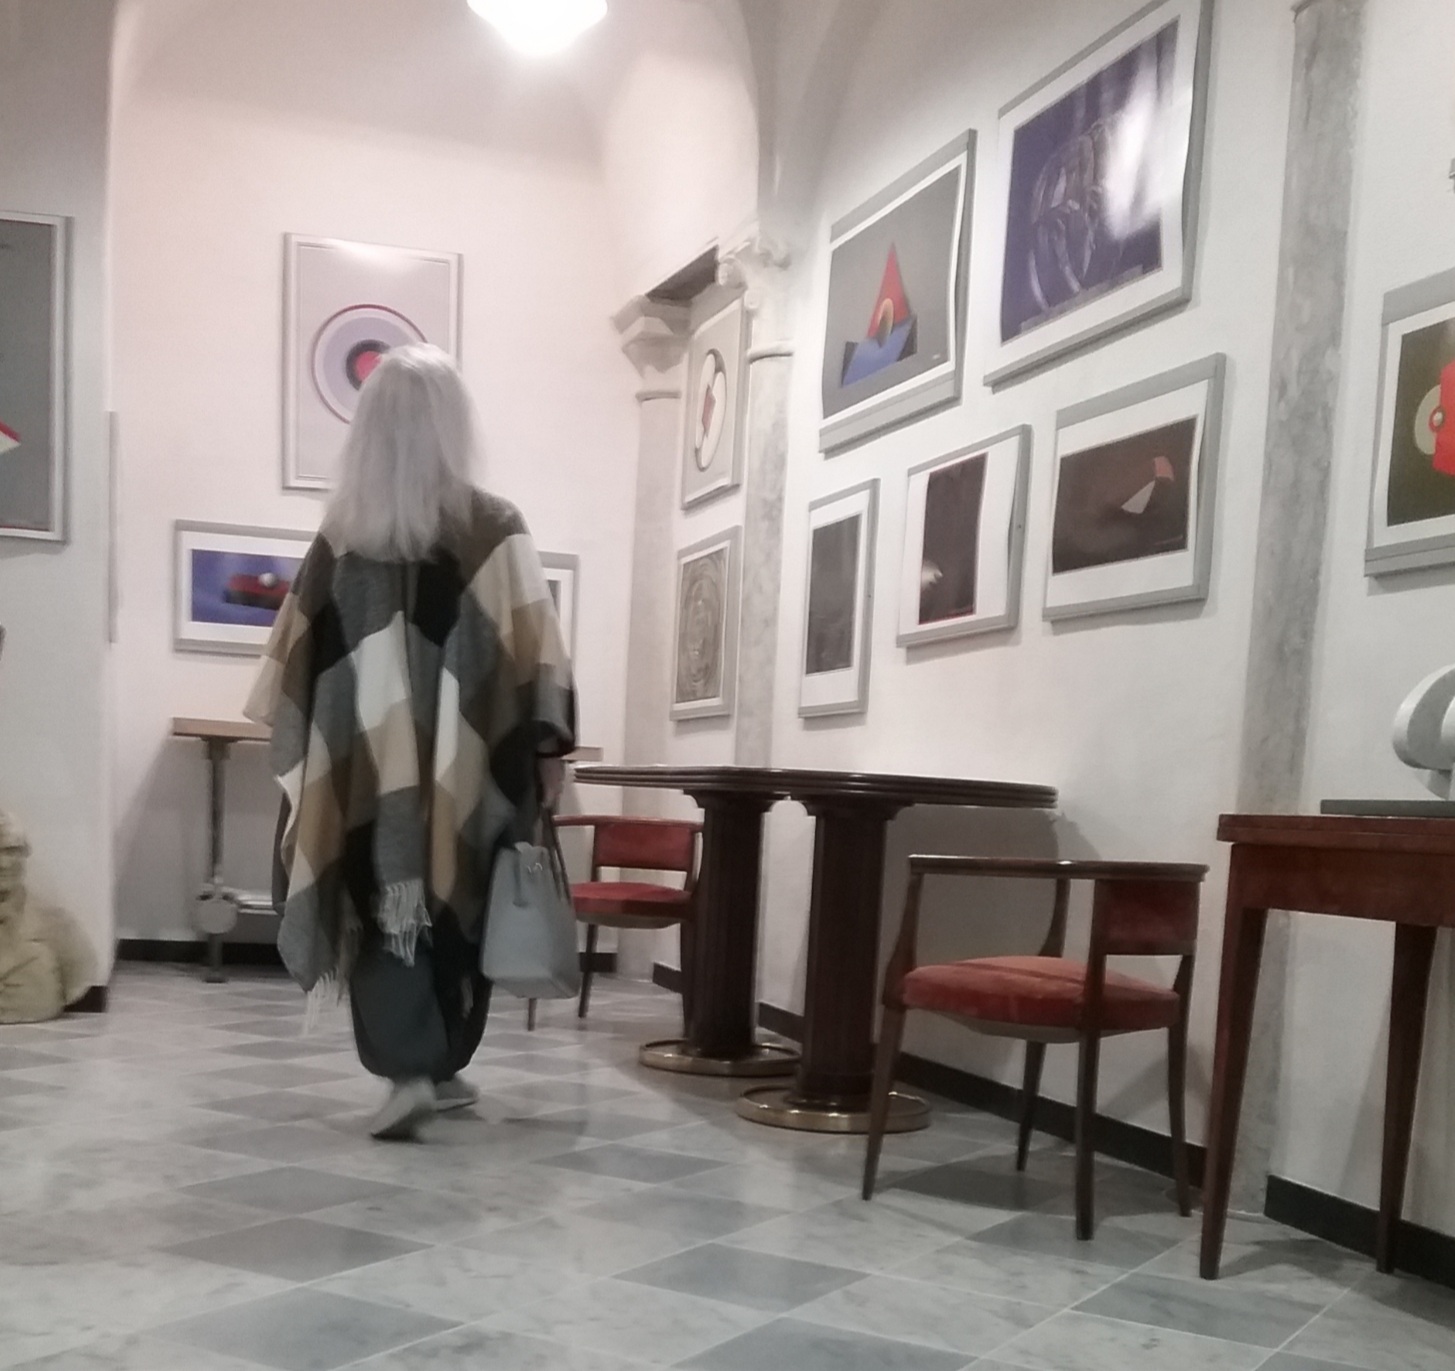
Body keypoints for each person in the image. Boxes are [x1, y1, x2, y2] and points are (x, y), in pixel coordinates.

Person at [245, 344, 575, 1140]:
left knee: (378, 893)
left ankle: (414, 1068)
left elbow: (296, 666)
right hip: (477, 765)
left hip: (363, 772)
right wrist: (548, 752)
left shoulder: (344, 537)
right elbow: (536, 654)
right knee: (465, 893)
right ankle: (435, 1059)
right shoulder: (495, 526)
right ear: (452, 424)